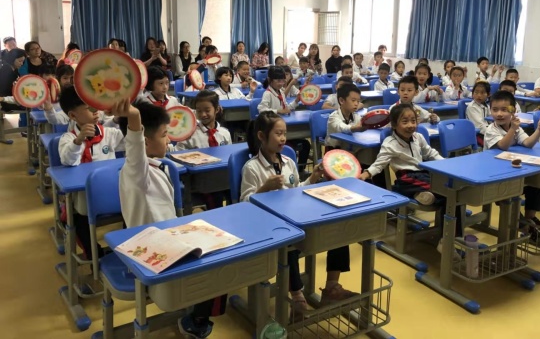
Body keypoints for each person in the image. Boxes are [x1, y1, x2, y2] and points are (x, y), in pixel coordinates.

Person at [115, 100, 219, 338]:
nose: (168, 140)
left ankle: (197, 315)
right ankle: (196, 320)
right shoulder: (135, 172)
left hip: (168, 238)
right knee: (211, 269)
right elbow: (134, 147)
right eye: (164, 135)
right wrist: (133, 117)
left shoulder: (158, 166)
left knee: (218, 256)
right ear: (144, 141)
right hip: (147, 249)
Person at [240, 111, 356, 321]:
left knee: (338, 228)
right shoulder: (252, 167)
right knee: (289, 242)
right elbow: (244, 204)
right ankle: (297, 296)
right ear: (261, 136)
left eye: (284, 133)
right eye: (278, 134)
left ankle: (331, 287)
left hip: (294, 217)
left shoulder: (288, 161)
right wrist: (264, 188)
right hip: (268, 225)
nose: (283, 138)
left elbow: (297, 189)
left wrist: (312, 178)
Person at [359, 103, 462, 257]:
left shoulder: (418, 137)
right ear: (394, 125)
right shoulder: (390, 143)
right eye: (405, 121)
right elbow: (379, 163)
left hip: (423, 174)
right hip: (405, 179)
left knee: (453, 193)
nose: (410, 125)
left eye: (413, 121)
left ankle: (450, 237)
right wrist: (366, 174)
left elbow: (431, 153)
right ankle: (446, 239)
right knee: (445, 193)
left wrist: (445, 164)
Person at [58, 86, 125, 260]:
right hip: (85, 202)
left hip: (114, 195)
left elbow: (131, 142)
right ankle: (95, 255)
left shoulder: (109, 134)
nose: (96, 111)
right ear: (73, 116)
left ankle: (125, 246)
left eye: (97, 105)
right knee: (75, 218)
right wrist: (78, 141)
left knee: (134, 205)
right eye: (89, 108)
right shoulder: (67, 139)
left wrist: (127, 119)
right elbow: (68, 160)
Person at [484, 91, 540, 244]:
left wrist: (539, 129)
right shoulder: (491, 129)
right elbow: (503, 146)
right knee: (508, 195)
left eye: (504, 109)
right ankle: (524, 227)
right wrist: (513, 129)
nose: (499, 114)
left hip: (511, 170)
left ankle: (530, 218)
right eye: (495, 109)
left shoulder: (516, 127)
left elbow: (528, 143)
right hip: (493, 175)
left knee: (537, 183)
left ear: (513, 111)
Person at [257, 66, 309, 171]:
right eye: (278, 81)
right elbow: (261, 110)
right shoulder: (268, 94)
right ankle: (284, 169)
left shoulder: (281, 92)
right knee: (289, 148)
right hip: (275, 132)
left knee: (306, 145)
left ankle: (299, 170)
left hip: (285, 128)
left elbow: (286, 109)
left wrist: (296, 101)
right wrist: (277, 111)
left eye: (283, 80)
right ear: (270, 80)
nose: (281, 83)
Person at [325, 84, 366, 148]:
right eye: (353, 100)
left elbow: (361, 122)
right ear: (341, 101)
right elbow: (342, 127)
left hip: (349, 147)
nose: (356, 104)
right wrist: (354, 128)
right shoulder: (333, 117)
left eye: (358, 101)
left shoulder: (355, 115)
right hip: (334, 150)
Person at [466, 81, 491, 146]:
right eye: (476, 92)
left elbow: (491, 119)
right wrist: (493, 133)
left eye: (482, 93)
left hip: (486, 132)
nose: (479, 95)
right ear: (472, 94)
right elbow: (479, 126)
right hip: (477, 134)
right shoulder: (472, 107)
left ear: (488, 94)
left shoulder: (486, 106)